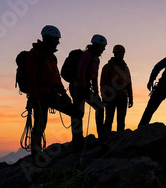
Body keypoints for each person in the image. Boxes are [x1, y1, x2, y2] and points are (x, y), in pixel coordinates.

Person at [26, 25, 79, 159]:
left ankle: (77, 142)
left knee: (76, 112)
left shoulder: (51, 57)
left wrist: (65, 95)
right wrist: (35, 97)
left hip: (51, 94)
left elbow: (56, 78)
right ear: (48, 39)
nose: (58, 42)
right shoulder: (36, 53)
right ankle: (36, 154)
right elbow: (31, 76)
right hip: (41, 95)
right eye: (56, 39)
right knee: (40, 124)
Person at [70, 34, 107, 146]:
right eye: (103, 46)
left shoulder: (95, 58)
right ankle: (78, 140)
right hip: (78, 87)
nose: (104, 48)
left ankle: (100, 135)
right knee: (79, 112)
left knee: (98, 108)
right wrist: (83, 86)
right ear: (97, 45)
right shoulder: (87, 55)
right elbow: (81, 71)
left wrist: (96, 91)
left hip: (83, 87)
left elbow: (94, 76)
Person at [100, 44, 133, 132]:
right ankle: (106, 138)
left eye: (122, 53)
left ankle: (119, 138)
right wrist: (103, 96)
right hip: (111, 96)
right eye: (119, 53)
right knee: (109, 119)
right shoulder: (108, 67)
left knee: (121, 120)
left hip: (122, 97)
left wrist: (130, 97)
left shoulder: (125, 68)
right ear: (114, 54)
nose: (121, 55)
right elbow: (102, 83)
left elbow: (129, 83)